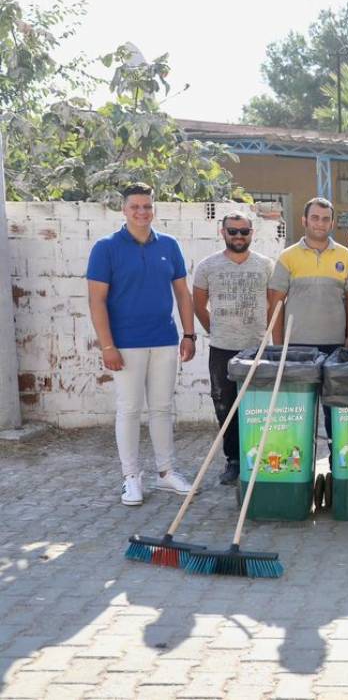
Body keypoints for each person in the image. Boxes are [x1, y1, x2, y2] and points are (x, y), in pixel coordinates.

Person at [86, 184, 196, 506]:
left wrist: (188, 334)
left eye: (147, 206)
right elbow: (97, 301)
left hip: (164, 338)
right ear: (124, 209)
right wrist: (108, 346)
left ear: (153, 209)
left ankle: (166, 473)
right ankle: (131, 477)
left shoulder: (170, 245)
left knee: (162, 408)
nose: (142, 212)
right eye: (135, 206)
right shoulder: (106, 248)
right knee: (130, 410)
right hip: (126, 343)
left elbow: (182, 294)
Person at [268, 197, 348, 441]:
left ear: (332, 224)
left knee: (334, 410)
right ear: (304, 220)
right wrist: (279, 349)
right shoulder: (288, 257)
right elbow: (275, 303)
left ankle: (335, 464)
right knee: (300, 410)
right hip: (297, 349)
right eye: (315, 218)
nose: (320, 223)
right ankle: (298, 464)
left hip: (335, 347)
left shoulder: (345, 256)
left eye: (326, 219)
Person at [193, 211, 274, 485]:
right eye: (233, 231)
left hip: (257, 349)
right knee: (225, 407)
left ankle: (259, 457)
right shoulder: (207, 266)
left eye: (244, 231)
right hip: (222, 349)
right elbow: (198, 304)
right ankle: (234, 460)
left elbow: (275, 304)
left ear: (252, 233)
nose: (238, 236)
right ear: (223, 232)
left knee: (258, 406)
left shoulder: (265, 266)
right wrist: (213, 330)